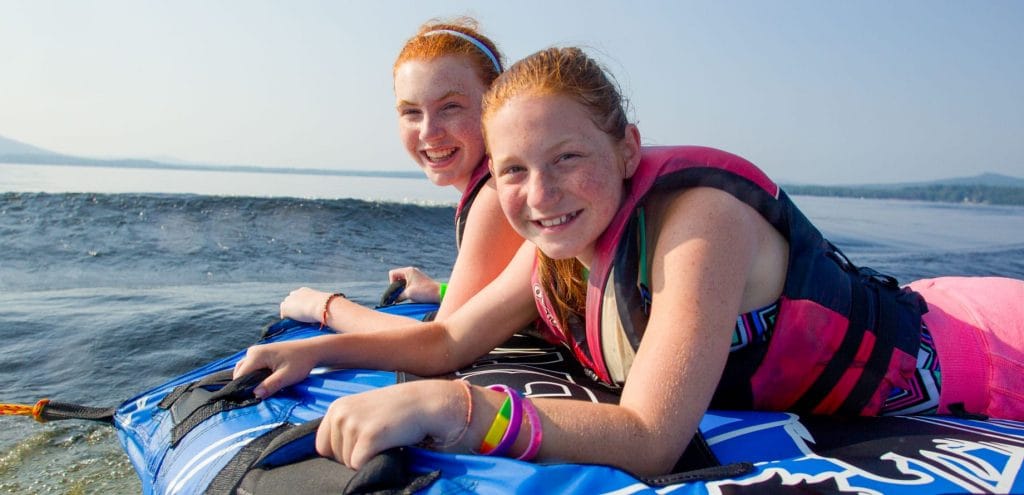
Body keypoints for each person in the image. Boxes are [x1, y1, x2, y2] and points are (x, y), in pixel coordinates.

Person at [236, 46, 1024, 476]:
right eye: (512, 170)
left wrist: (454, 409)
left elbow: (650, 436)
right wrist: (313, 346)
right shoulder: (559, 243)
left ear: (628, 150)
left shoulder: (699, 223)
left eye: (568, 156)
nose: (539, 194)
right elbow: (448, 341)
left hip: (989, 353)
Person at [278, 18, 524, 331]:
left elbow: (441, 343)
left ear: (496, 103)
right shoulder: (489, 186)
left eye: (450, 107)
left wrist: (323, 306)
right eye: (411, 112)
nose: (429, 132)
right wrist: (441, 291)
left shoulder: (498, 194)